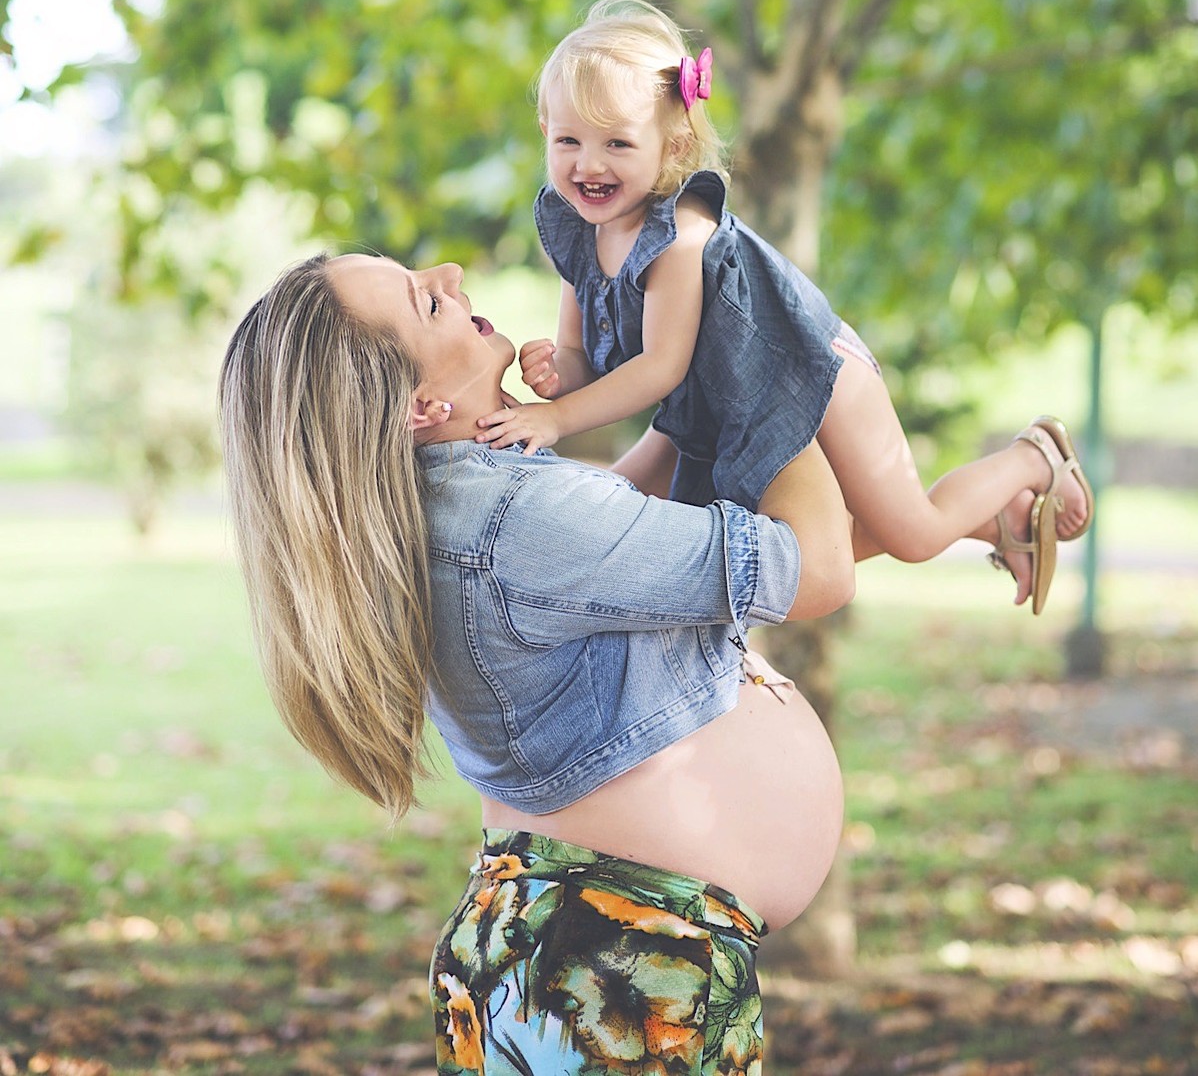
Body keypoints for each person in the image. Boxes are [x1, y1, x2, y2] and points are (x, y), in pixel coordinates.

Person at [220, 250, 859, 1076]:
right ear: (420, 406)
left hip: (583, 959)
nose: (450, 275)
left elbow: (641, 536)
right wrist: (769, 370)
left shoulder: (462, 507)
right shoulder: (514, 520)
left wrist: (670, 378)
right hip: (613, 974)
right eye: (425, 301)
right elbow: (817, 569)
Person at [475, 0, 1094, 617]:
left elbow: (660, 367)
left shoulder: (679, 235)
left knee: (914, 533)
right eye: (569, 140)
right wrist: (558, 375)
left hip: (809, 369)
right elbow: (583, 357)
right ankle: (1000, 520)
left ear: (673, 145)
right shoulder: (581, 228)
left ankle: (1032, 457)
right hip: (728, 397)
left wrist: (556, 419)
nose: (589, 164)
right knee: (764, 543)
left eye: (617, 143)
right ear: (545, 133)